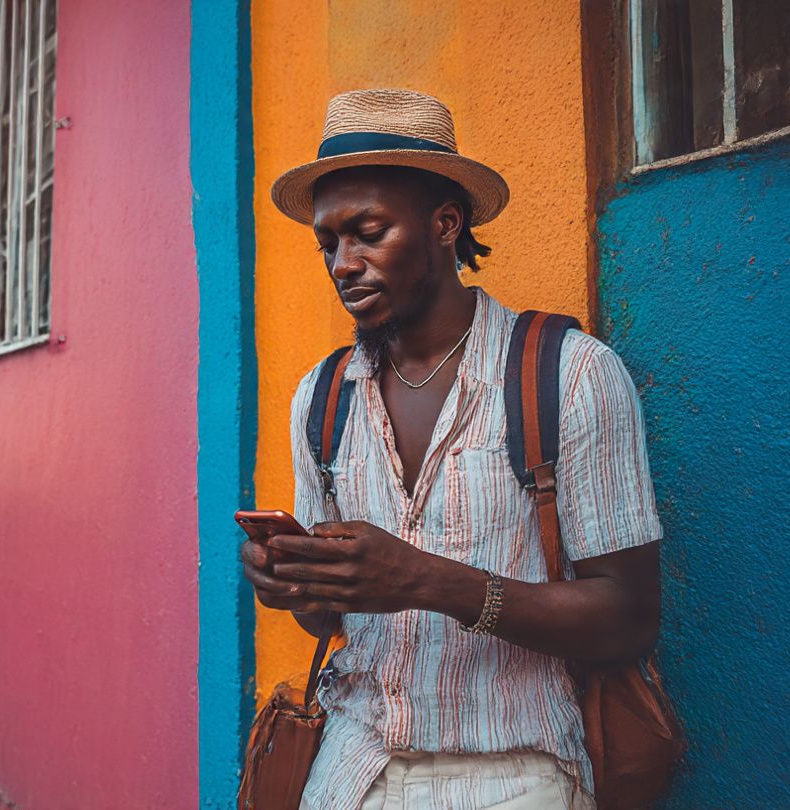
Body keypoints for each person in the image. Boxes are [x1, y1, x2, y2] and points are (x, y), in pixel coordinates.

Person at [242, 89, 662, 810]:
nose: (344, 264)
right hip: (347, 770)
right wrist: (295, 587)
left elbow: (628, 617)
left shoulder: (568, 374)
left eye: (369, 232)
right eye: (328, 243)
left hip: (516, 773)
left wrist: (428, 582)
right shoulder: (322, 398)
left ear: (444, 224)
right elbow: (330, 623)